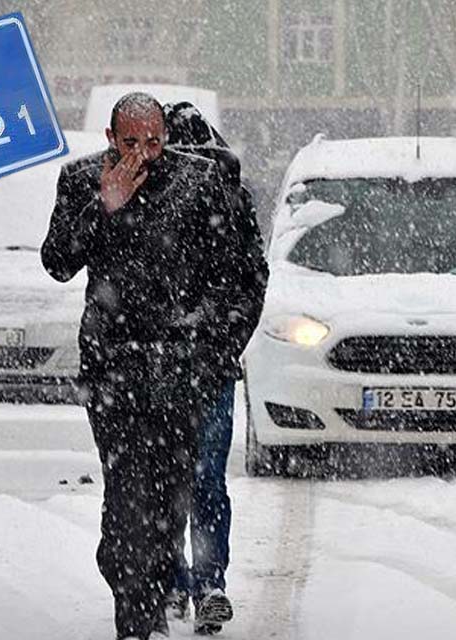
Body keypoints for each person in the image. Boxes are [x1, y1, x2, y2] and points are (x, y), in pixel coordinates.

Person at [41, 92, 266, 640]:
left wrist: (211, 347)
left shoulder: (199, 182)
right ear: (111, 140)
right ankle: (135, 614)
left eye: (154, 141)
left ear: (166, 137)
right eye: (131, 142)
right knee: (126, 496)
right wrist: (104, 207)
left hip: (183, 374)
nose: (144, 154)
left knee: (170, 499)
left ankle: (155, 588)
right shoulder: (82, 181)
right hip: (114, 372)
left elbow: (238, 275)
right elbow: (57, 261)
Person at [160, 101, 267, 636]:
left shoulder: (223, 198)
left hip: (197, 365)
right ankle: (188, 581)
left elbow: (250, 280)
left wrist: (220, 339)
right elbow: (252, 281)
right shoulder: (225, 196)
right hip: (184, 366)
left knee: (188, 477)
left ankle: (199, 582)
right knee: (189, 479)